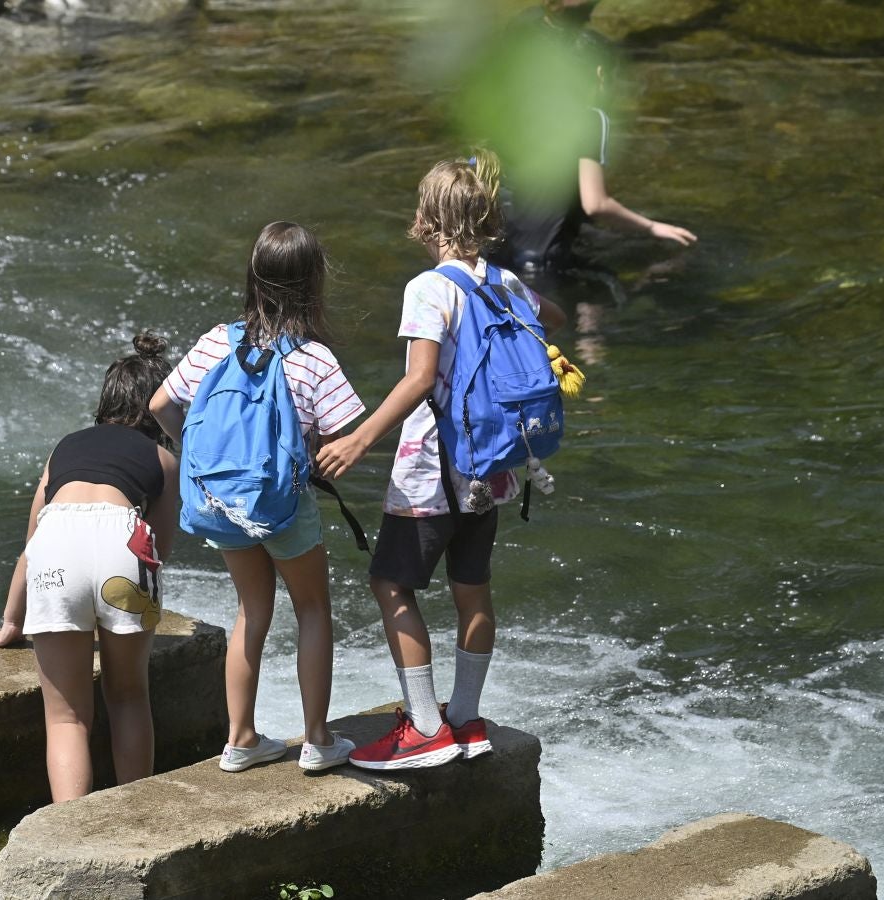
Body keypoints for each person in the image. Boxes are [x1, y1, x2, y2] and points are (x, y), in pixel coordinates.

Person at [315, 152, 566, 770]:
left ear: (426, 221)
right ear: (486, 218)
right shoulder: (505, 283)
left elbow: (421, 378)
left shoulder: (429, 289)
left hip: (433, 466)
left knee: (390, 582)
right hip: (496, 464)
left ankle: (425, 727)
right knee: (472, 591)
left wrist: (359, 438)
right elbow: (552, 319)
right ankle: (466, 717)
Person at [149, 221, 365, 773]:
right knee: (313, 608)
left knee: (252, 607)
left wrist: (200, 462)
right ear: (314, 283)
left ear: (254, 277)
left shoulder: (215, 341)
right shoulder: (314, 359)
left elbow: (160, 406)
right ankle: (317, 739)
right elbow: (343, 437)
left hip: (224, 504)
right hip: (283, 505)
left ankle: (240, 739)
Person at [0, 332, 178, 802]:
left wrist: (12, 623)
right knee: (128, 696)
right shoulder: (163, 459)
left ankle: (69, 829)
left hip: (55, 548)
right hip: (122, 546)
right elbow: (158, 548)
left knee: (66, 716)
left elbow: (31, 545)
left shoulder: (65, 448)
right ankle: (133, 813)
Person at [490, 0, 696, 281]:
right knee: (618, 291)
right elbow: (596, 204)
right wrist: (651, 227)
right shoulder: (590, 118)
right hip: (544, 263)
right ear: (598, 75)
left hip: (496, 249)